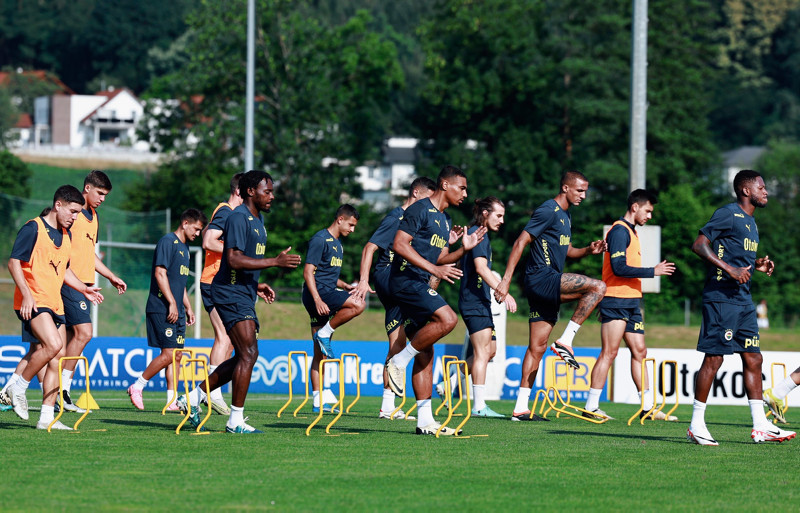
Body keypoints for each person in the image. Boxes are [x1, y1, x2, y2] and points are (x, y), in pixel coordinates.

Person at [178, 170, 302, 434]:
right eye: (266, 191)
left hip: (243, 291)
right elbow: (232, 259)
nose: (272, 196)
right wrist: (275, 262)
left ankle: (193, 398)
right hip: (228, 292)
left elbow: (244, 262)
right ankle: (235, 420)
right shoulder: (237, 217)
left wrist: (256, 285)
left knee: (246, 354)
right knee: (248, 353)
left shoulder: (258, 222)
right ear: (250, 192)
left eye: (271, 191)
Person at [687, 169, 795, 445]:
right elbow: (699, 245)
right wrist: (730, 270)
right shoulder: (728, 213)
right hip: (721, 297)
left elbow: (738, 258)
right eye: (761, 187)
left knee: (754, 358)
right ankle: (696, 424)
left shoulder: (751, 223)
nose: (765, 191)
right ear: (746, 191)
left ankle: (761, 425)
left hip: (743, 300)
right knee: (714, 359)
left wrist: (756, 265)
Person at [494, 170, 606, 421]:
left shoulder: (566, 216)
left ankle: (520, 408)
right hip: (541, 278)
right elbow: (520, 242)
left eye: (586, 191)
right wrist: (505, 280)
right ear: (565, 188)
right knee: (598, 287)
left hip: (547, 283)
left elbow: (567, 251)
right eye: (579, 190)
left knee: (537, 347)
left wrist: (588, 250)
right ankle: (566, 340)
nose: (584, 195)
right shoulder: (548, 210)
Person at [383, 165, 486, 435]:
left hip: (418, 282)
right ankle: (398, 361)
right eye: (461, 187)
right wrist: (434, 270)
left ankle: (425, 421)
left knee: (426, 352)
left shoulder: (444, 219)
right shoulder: (419, 209)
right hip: (404, 280)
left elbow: (439, 259)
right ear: (444, 185)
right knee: (448, 319)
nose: (465, 193)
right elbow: (399, 245)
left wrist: (462, 250)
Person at [5, 185, 104, 429]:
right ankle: (16, 387)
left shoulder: (66, 234)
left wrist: (83, 288)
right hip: (34, 300)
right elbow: (14, 262)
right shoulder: (33, 228)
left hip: (54, 301)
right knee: (54, 345)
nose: (75, 217)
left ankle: (47, 417)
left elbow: (65, 269)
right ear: (58, 205)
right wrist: (26, 295)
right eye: (72, 211)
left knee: (57, 360)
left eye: (78, 213)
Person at [583, 189, 676, 420]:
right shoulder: (619, 231)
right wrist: (652, 271)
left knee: (640, 351)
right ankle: (591, 406)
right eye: (648, 211)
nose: (650, 216)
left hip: (632, 302)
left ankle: (647, 407)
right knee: (610, 352)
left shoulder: (632, 232)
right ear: (635, 207)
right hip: (615, 300)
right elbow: (619, 268)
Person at [352, 177, 436, 420]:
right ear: (417, 193)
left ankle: (387, 406)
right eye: (428, 198)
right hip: (390, 278)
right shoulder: (398, 217)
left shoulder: (417, 221)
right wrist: (364, 279)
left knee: (398, 343)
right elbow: (370, 247)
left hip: (398, 282)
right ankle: (395, 404)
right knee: (419, 340)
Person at [127, 209, 206, 410]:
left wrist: (187, 307)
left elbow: (180, 283)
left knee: (177, 355)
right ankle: (138, 386)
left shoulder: (185, 249)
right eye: (196, 229)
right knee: (169, 353)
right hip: (162, 307)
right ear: (185, 223)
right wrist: (172, 302)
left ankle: (172, 401)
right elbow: (160, 274)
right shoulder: (167, 242)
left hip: (176, 309)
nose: (197, 234)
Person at [454, 196, 517, 418]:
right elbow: (481, 269)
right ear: (484, 214)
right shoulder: (476, 234)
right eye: (498, 216)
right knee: (482, 352)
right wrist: (503, 291)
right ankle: (479, 406)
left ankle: (452, 378)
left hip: (481, 301)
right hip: (473, 301)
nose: (501, 221)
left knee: (490, 350)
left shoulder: (482, 235)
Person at [302, 204, 365, 413]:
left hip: (325, 292)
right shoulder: (320, 239)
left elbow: (326, 273)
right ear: (340, 219)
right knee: (358, 304)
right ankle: (326, 331)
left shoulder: (338, 244)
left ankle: (318, 401)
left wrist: (344, 285)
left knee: (320, 353)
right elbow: (308, 272)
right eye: (351, 225)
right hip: (317, 295)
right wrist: (318, 299)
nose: (352, 230)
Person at [198, 172, 244, 415]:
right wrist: (233, 252)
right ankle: (209, 392)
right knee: (224, 338)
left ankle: (209, 392)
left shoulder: (230, 213)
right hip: (212, 282)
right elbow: (208, 240)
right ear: (239, 191)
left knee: (230, 342)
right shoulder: (226, 211)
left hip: (224, 283)